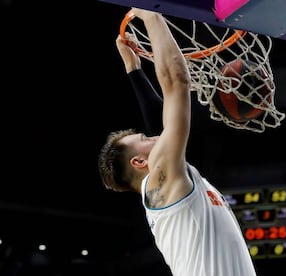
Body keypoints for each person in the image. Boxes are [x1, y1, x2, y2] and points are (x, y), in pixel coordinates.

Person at [98, 7, 257, 276]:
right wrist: (151, 14)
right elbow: (176, 81)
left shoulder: (165, 182)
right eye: (146, 139)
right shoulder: (161, 177)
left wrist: (134, 70)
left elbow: (160, 124)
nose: (156, 136)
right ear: (140, 162)